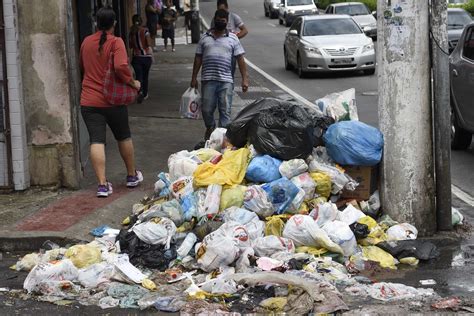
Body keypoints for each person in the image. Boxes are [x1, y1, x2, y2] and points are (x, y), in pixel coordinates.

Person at [80, 7, 143, 197]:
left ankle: (102, 185)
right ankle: (131, 176)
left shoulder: (86, 42)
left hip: (89, 101)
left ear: (97, 23)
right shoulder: (116, 42)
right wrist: (133, 83)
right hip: (113, 101)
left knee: (96, 141)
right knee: (123, 136)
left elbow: (83, 66)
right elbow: (121, 66)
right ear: (114, 23)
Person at [190, 9, 249, 140]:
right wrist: (193, 78)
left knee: (225, 112)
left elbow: (240, 59)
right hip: (208, 80)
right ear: (214, 20)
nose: (220, 22)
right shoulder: (204, 38)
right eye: (218, 20)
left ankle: (223, 138)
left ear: (227, 22)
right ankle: (210, 127)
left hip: (226, 81)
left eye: (223, 21)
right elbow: (198, 58)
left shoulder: (233, 38)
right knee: (206, 109)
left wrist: (245, 79)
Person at [129, 14, 153, 103]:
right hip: (146, 57)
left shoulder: (131, 32)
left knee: (139, 77)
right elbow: (149, 43)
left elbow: (130, 45)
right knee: (145, 76)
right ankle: (145, 93)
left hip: (136, 58)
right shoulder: (145, 30)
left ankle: (140, 91)